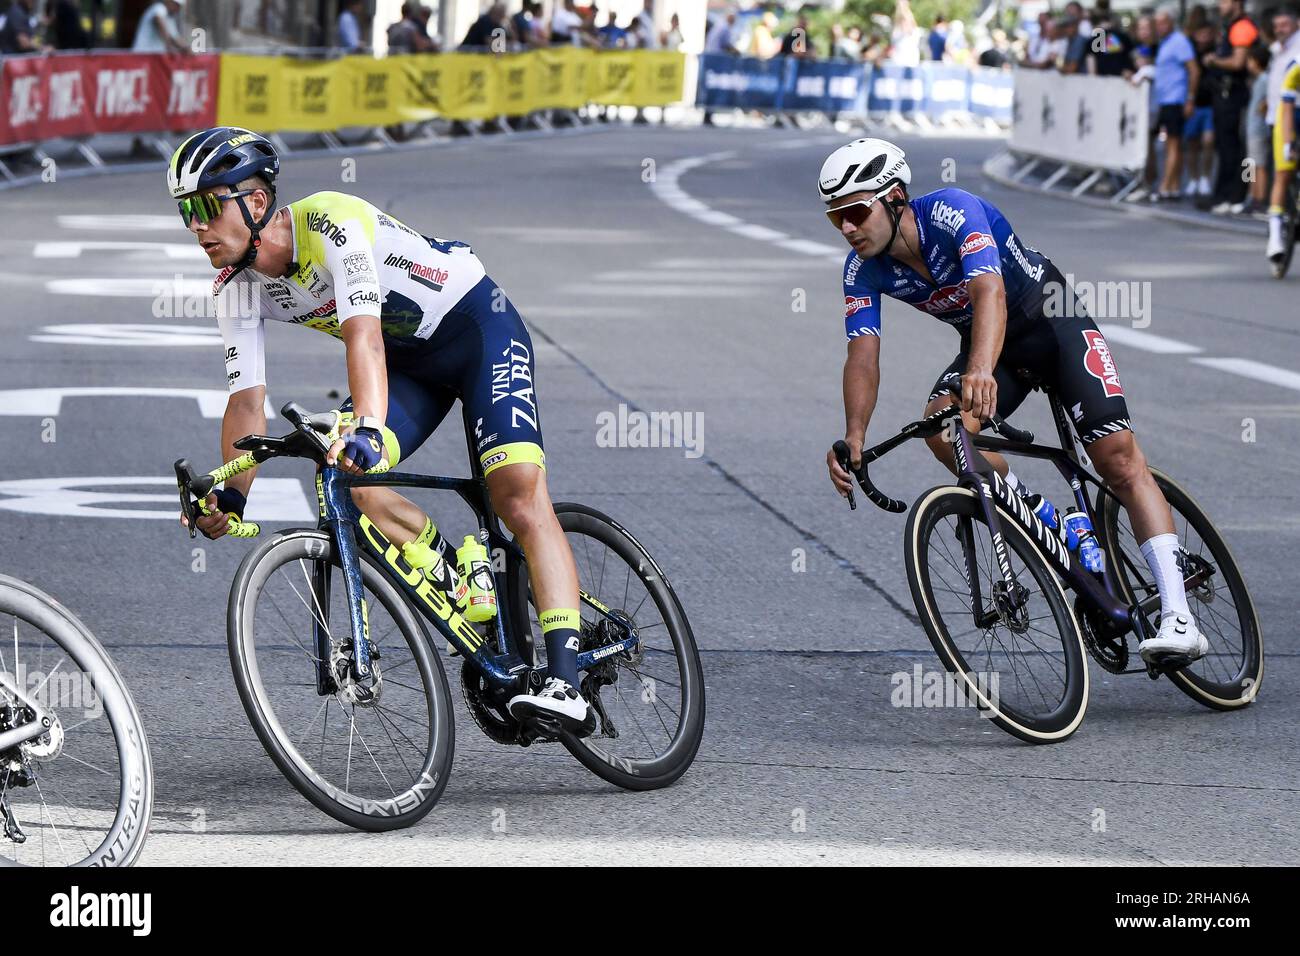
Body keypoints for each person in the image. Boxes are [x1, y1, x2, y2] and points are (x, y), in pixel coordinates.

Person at [168, 128, 596, 733]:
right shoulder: (235, 289)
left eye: (206, 206)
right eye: (186, 212)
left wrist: (367, 425)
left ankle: (566, 682)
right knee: (350, 478)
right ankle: (460, 577)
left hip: (477, 333)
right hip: (409, 370)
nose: (196, 226)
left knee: (517, 496)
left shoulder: (331, 223)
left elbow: (363, 335)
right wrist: (232, 495)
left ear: (256, 203)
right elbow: (246, 401)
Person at [820, 138, 1209, 664]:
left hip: (1053, 325)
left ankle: (1180, 618)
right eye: (835, 218)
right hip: (996, 347)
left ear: (893, 197)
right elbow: (862, 354)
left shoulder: (953, 211)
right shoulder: (860, 269)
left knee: (1116, 458)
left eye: (855, 212)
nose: (846, 227)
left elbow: (989, 293)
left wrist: (980, 370)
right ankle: (1051, 523)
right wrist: (855, 435)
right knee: (941, 426)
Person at [1200, 0, 1258, 212]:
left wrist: (1213, 60)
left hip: (1233, 96)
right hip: (1226, 95)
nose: (1220, 5)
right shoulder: (1231, 27)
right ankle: (1226, 194)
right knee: (1226, 148)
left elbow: (1238, 62)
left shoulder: (1242, 27)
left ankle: (1233, 196)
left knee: (1235, 149)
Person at [1150, 7, 1200, 202]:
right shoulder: (1164, 43)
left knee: (1173, 144)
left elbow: (1194, 70)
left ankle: (1165, 185)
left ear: (1171, 23)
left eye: (1163, 23)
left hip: (1175, 99)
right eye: (1158, 24)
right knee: (1173, 144)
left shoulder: (1179, 41)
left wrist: (1190, 98)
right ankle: (1173, 186)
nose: (1160, 27)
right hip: (1165, 99)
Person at [1182, 19, 1217, 199]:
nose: (1204, 37)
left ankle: (1205, 177)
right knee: (1192, 143)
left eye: (1207, 34)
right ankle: (1193, 178)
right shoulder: (1190, 52)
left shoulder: (1217, 52)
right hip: (1194, 104)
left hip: (1210, 104)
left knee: (1208, 141)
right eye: (1200, 33)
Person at [1269, 57, 1300, 257]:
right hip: (1291, 116)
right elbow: (1287, 106)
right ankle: (1274, 238)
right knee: (1284, 171)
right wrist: (1289, 143)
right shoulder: (1296, 66)